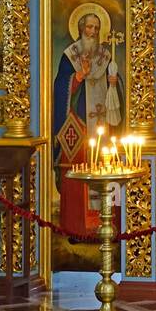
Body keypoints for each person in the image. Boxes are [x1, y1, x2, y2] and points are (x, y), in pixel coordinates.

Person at [52, 13, 124, 237]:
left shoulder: (105, 55)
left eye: (96, 27)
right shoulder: (70, 55)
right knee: (78, 171)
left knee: (104, 166)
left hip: (101, 122)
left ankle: (105, 225)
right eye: (89, 27)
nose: (92, 31)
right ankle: (78, 227)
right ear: (81, 28)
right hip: (79, 125)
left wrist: (114, 82)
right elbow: (60, 87)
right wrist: (79, 77)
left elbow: (117, 87)